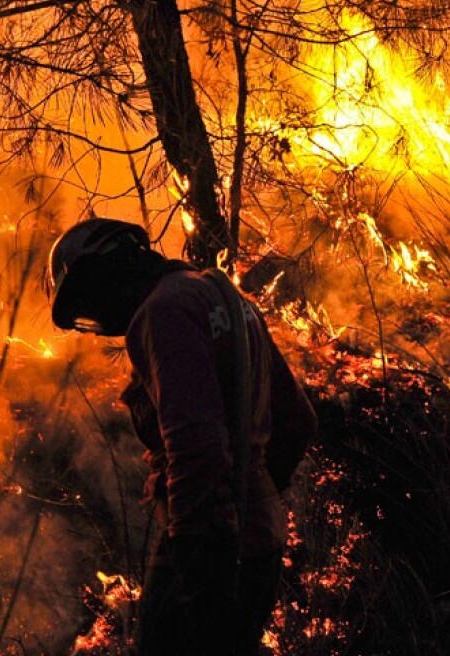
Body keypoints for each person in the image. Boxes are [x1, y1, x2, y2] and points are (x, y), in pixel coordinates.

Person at [47, 218, 318, 655]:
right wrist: (256, 500)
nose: (96, 318)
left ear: (108, 272)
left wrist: (196, 564)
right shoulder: (224, 296)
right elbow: (298, 421)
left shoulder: (162, 313)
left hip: (206, 544)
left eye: (88, 302)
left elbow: (195, 449)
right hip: (256, 542)